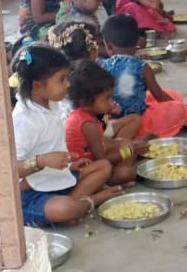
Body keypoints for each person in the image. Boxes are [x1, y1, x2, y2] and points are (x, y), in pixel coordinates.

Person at [9, 44, 122, 226]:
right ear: (37, 86)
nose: (68, 84)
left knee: (103, 167)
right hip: (31, 193)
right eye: (61, 80)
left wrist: (68, 166)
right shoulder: (24, 121)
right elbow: (9, 169)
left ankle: (74, 205)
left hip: (55, 178)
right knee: (65, 209)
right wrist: (41, 161)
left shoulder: (51, 104)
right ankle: (89, 202)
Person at [47, 21, 143, 140]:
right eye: (97, 43)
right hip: (89, 136)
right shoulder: (86, 79)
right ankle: (124, 147)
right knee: (133, 122)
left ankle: (122, 146)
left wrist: (109, 106)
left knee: (132, 119)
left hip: (92, 127)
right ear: (92, 50)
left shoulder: (60, 79)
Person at [101, 15, 187, 138]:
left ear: (109, 46)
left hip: (111, 120)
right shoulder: (143, 68)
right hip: (140, 122)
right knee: (175, 105)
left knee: (167, 95)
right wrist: (183, 108)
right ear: (138, 41)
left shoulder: (102, 66)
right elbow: (159, 96)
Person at [65, 60, 149, 187]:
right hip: (88, 172)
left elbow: (102, 142)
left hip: (96, 160)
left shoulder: (86, 114)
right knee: (126, 172)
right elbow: (102, 160)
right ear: (86, 102)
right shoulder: (87, 124)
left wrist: (124, 145)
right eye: (106, 98)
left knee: (125, 143)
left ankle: (132, 151)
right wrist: (128, 150)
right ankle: (105, 184)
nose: (111, 103)